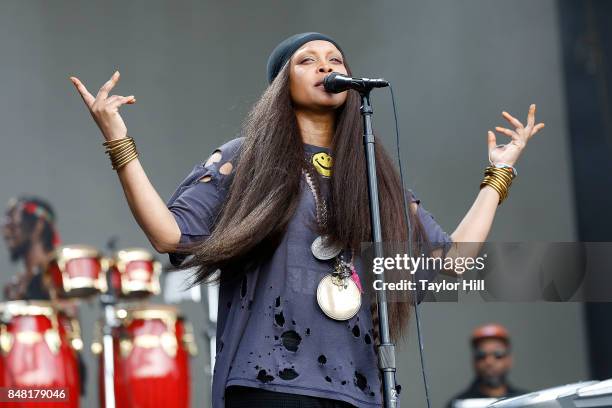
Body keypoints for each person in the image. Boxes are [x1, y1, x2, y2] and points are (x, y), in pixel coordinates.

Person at [70, 32, 544, 408]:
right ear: (282, 85)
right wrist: (118, 140)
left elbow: (451, 262)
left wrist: (498, 176)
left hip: (361, 389)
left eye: (335, 60)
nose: (327, 66)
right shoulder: (246, 160)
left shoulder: (373, 178)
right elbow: (167, 233)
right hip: (270, 383)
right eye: (308, 60)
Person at [446, 324, 528, 407]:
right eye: (481, 355)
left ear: (509, 360)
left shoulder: (525, 401)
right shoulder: (458, 405)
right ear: (474, 361)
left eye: (498, 355)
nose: (489, 362)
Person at [2, 196, 60, 300]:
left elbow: (69, 311)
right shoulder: (19, 283)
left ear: (39, 226)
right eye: (6, 227)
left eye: (14, 227)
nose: (6, 234)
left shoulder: (56, 274)